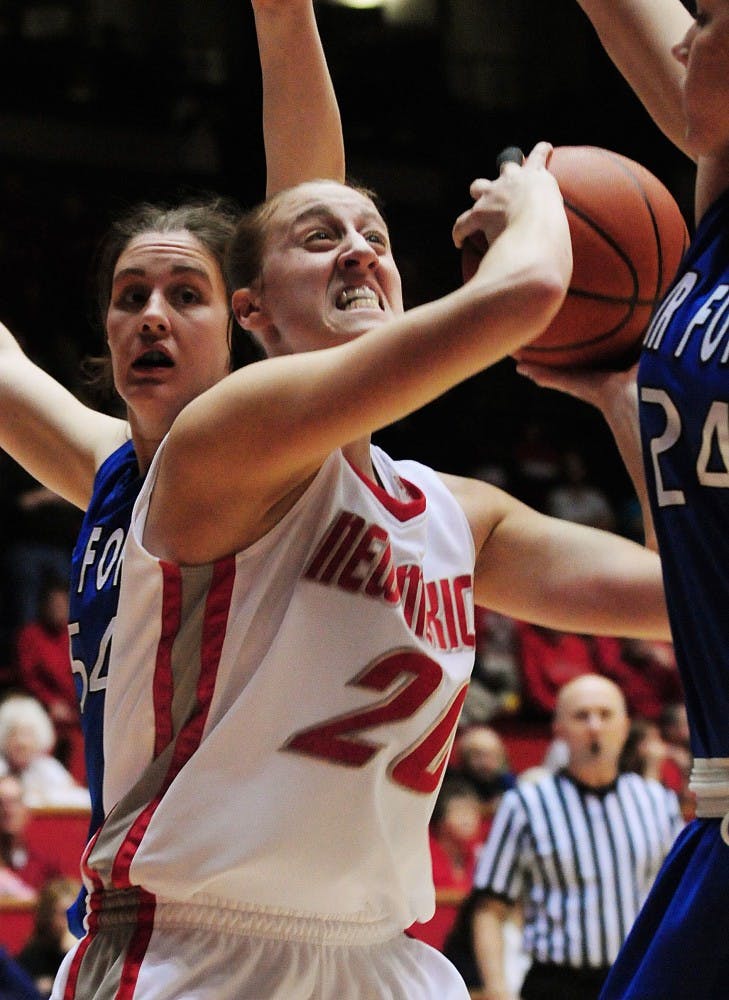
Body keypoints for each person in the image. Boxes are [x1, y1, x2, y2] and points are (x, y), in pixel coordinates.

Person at [44, 132, 677, 995]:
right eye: (318, 237)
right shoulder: (219, 441)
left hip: (383, 956)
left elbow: (684, 599)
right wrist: (534, 199)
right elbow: (526, 289)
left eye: (375, 238)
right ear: (253, 312)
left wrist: (620, 395)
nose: (356, 251)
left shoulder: (456, 515)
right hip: (196, 949)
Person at [519, 2, 729, 995]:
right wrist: (617, 395)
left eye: (711, 16)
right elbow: (686, 541)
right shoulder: (719, 216)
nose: (684, 36)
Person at [471, 674, 682, 1000]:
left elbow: (679, 900)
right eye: (582, 716)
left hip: (638, 978)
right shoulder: (525, 804)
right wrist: (497, 989)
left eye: (605, 714)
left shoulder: (659, 802)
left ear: (625, 727)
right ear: (558, 729)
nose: (595, 726)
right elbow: (489, 908)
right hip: (556, 984)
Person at [14, 576, 83, 781]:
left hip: (75, 711)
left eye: (63, 604)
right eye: (54, 604)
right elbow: (27, 678)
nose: (58, 609)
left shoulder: (76, 636)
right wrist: (50, 704)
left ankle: (77, 795)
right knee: (39, 734)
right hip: (42, 709)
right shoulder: (31, 635)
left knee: (86, 739)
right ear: (44, 606)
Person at [0, 695, 90, 810]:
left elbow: (82, 799)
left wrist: (46, 797)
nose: (21, 742)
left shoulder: (48, 767)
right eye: (14, 734)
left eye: (27, 734)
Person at [16, 878, 81, 999]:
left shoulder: (96, 950)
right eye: (64, 914)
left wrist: (73, 951)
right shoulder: (32, 954)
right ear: (47, 917)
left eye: (76, 913)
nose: (71, 921)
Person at [0, 774, 61, 893]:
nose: (8, 811)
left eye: (14, 802)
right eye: (1, 803)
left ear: (25, 810)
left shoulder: (44, 854)